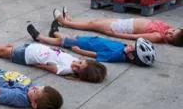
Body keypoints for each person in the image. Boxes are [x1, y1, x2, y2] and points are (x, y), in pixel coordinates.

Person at [0, 32, 107, 83]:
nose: (76, 64)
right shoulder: (72, 61)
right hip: (32, 48)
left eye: (78, 69)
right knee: (6, 47)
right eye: (80, 62)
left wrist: (36, 64)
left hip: (27, 56)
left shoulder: (66, 70)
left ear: (79, 75)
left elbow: (49, 67)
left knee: (2, 52)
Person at [28, 23, 157, 67]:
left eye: (132, 47)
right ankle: (55, 32)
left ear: (132, 57)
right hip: (90, 40)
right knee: (68, 38)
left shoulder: (116, 56)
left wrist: (80, 51)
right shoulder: (124, 50)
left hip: (85, 45)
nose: (130, 45)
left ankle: (39, 37)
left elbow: (96, 55)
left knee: (61, 42)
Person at [53, 7, 183, 46]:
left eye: (171, 37)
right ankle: (71, 20)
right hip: (125, 22)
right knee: (95, 21)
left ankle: (65, 23)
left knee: (92, 25)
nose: (169, 33)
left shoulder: (158, 36)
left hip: (121, 28)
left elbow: (135, 36)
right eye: (173, 31)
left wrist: (114, 34)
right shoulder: (166, 27)